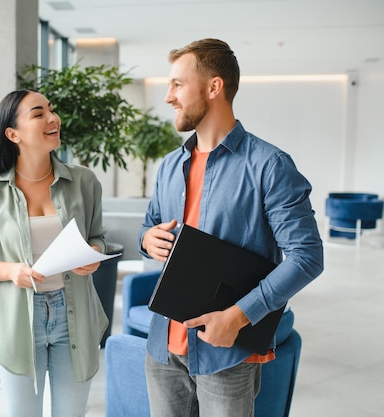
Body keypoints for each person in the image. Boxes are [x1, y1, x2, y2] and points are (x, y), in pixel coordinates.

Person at [138, 38, 324, 417]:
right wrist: (147, 239)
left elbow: (307, 257)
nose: (168, 97)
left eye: (177, 84)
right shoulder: (170, 166)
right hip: (162, 349)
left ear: (213, 87)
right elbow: (149, 225)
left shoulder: (270, 166)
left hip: (227, 352)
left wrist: (237, 316)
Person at [0, 89, 108, 417]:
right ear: (13, 134)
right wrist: (13, 272)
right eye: (39, 113)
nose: (53, 118)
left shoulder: (84, 181)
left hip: (75, 315)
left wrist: (93, 253)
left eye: (51, 110)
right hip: (17, 319)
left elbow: (97, 237)